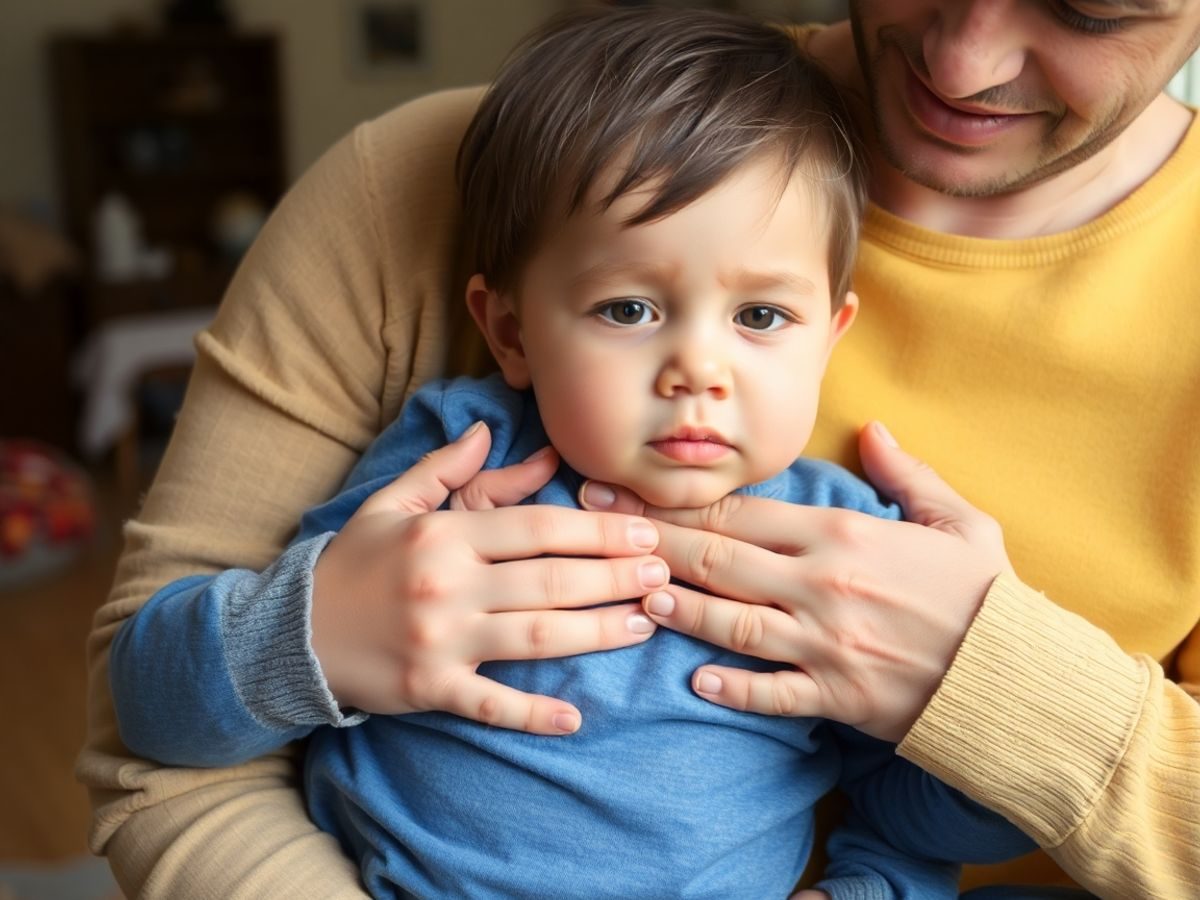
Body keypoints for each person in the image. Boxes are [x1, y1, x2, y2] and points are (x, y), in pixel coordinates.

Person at [76, 1, 1200, 898]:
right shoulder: (450, 458)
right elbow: (160, 726)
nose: (964, 60)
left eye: (1093, 7)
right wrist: (314, 627)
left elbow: (908, 828)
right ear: (508, 325)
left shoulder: (857, 528)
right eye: (626, 311)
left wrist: (1011, 702)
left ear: (831, 331)